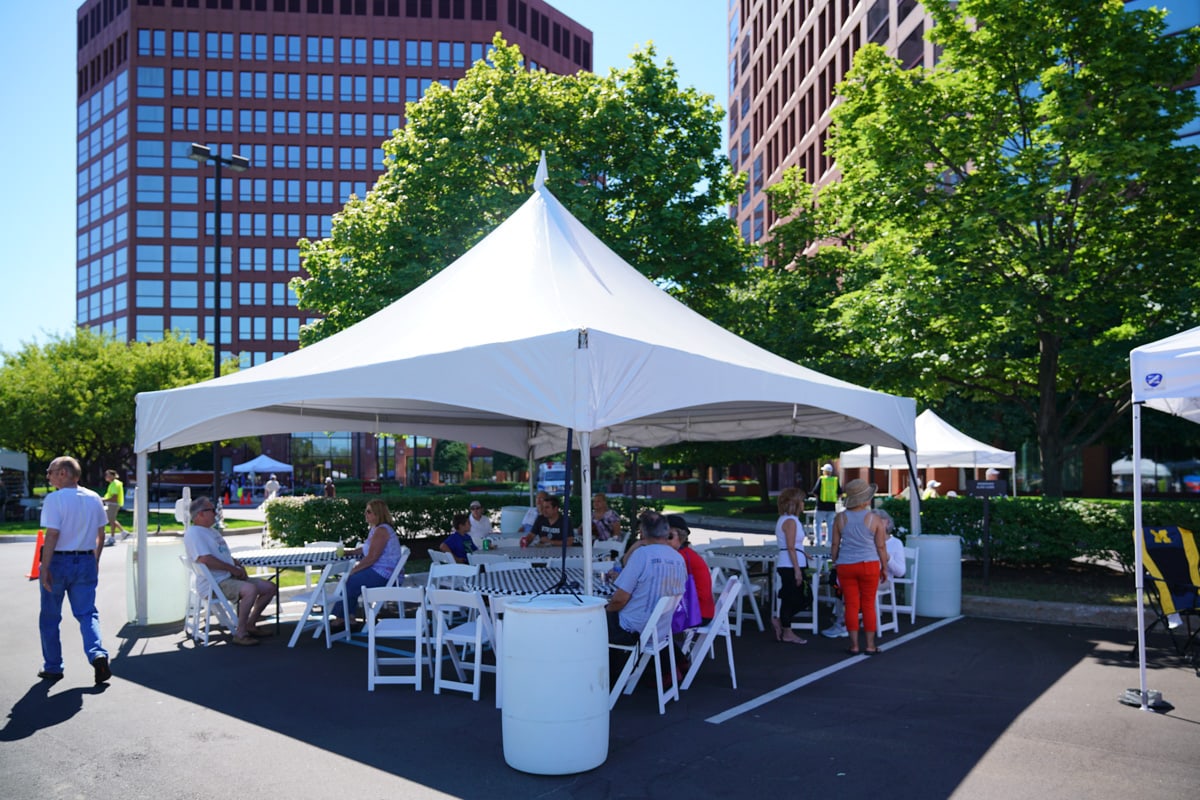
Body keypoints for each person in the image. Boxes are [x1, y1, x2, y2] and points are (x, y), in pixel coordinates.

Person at [37, 456, 111, 684]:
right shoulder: (94, 497)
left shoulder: (55, 499)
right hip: (86, 559)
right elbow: (102, 534)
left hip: (59, 561)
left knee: (50, 616)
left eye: (50, 471)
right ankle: (97, 653)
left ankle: (53, 667)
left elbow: (52, 534)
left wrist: (44, 566)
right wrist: (95, 559)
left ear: (62, 473)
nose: (47, 476)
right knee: (87, 613)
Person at [183, 496, 277, 646]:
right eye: (211, 510)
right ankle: (240, 633)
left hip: (228, 577)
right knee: (250, 590)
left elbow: (222, 554)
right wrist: (233, 568)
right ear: (200, 514)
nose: (215, 513)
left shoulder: (211, 531)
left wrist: (237, 564)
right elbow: (205, 559)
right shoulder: (195, 533)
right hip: (215, 583)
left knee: (270, 588)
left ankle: (250, 624)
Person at [604, 511, 687, 645]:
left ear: (642, 532)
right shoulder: (678, 558)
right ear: (667, 532)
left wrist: (604, 612)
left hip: (633, 629)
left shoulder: (642, 555)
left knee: (592, 617)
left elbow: (619, 600)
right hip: (661, 629)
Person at [829, 479, 889, 655]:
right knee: (869, 604)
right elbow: (881, 546)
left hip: (846, 565)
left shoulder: (840, 518)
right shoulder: (874, 519)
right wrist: (884, 567)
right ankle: (870, 645)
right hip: (869, 564)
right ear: (864, 500)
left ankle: (854, 645)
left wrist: (835, 562)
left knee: (851, 605)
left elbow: (834, 544)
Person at [331, 499, 404, 630]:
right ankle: (348, 617)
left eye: (369, 512)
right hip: (381, 571)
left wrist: (354, 569)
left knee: (351, 580)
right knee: (351, 580)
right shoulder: (376, 529)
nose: (366, 514)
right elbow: (368, 549)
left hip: (386, 574)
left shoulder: (382, 531)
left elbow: (372, 557)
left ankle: (342, 618)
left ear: (378, 514)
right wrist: (349, 552)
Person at [771, 487, 809, 644]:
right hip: (790, 564)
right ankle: (786, 629)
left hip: (791, 561)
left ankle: (783, 622)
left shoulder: (786, 519)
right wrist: (797, 570)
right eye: (801, 501)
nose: (803, 504)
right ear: (795, 503)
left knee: (795, 597)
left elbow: (793, 545)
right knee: (796, 598)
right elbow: (791, 546)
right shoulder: (790, 521)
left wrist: (804, 554)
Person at [665, 515, 714, 624]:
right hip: (702, 610)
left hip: (696, 613)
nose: (662, 539)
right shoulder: (685, 553)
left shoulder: (679, 557)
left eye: (668, 536)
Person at [809, 463, 840, 545]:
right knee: (830, 525)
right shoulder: (835, 480)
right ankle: (829, 542)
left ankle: (818, 542)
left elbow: (815, 492)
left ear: (825, 472)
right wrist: (835, 498)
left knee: (817, 524)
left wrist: (819, 499)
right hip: (831, 507)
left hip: (820, 506)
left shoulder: (821, 479)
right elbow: (840, 493)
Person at [101, 468, 127, 545]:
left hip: (113, 504)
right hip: (111, 504)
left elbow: (114, 498)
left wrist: (103, 500)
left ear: (112, 476)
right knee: (111, 519)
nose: (106, 477)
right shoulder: (113, 483)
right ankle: (123, 532)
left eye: (107, 475)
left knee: (111, 520)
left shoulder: (115, 484)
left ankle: (113, 537)